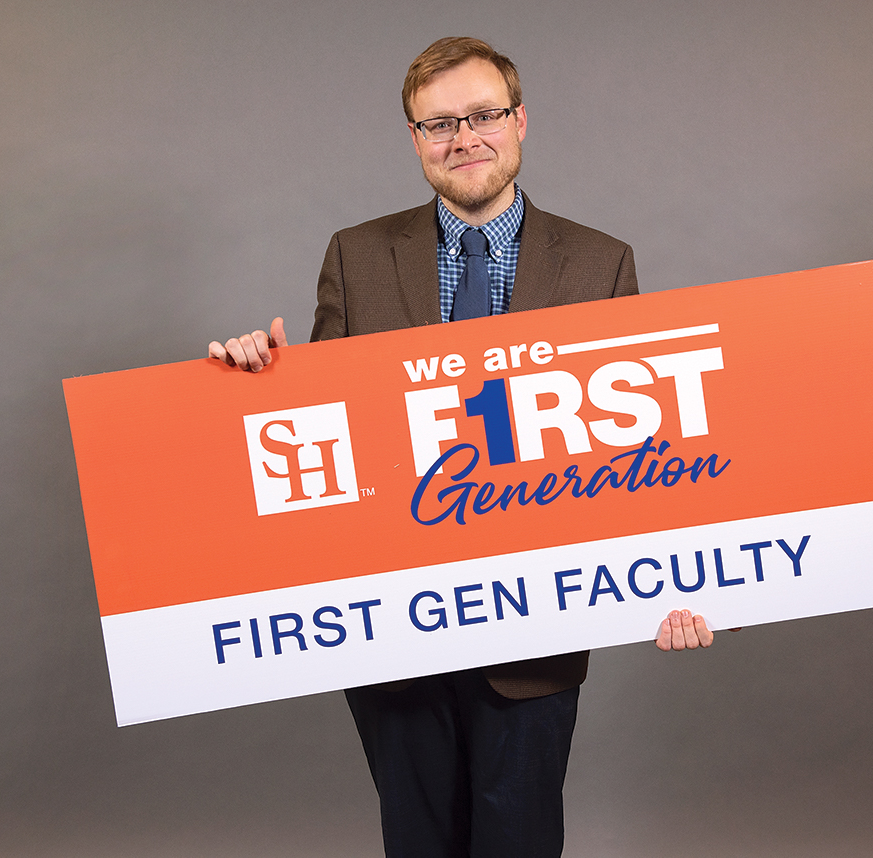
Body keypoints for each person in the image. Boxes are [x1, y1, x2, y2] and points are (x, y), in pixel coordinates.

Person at [210, 36, 721, 858]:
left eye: (483, 115)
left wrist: (693, 584)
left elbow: (635, 451)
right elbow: (329, 428)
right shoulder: (356, 255)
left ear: (520, 122)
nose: (464, 137)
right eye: (439, 123)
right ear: (414, 139)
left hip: (534, 638)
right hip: (393, 636)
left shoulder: (599, 263)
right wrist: (255, 378)